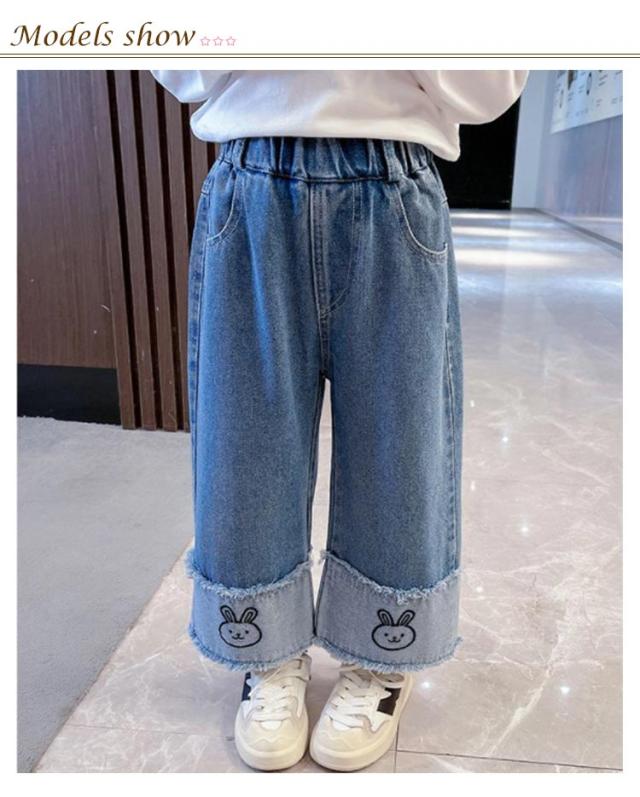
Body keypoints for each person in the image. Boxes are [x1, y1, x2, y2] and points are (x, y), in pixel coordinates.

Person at [151, 69, 528, 772]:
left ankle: (383, 653)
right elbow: (179, 65)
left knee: (401, 443)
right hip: (252, 178)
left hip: (395, 182)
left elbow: (491, 86)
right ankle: (266, 649)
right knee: (245, 442)